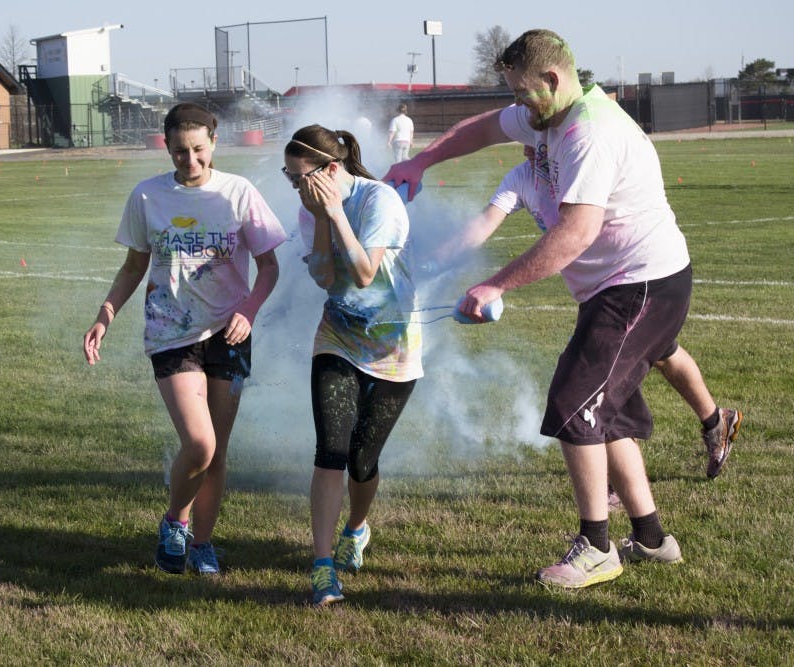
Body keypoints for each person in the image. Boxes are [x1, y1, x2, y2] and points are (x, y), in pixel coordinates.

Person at [392, 28, 738, 589]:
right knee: (609, 411)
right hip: (615, 290)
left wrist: (496, 286)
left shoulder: (589, 132)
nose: (517, 109)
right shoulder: (543, 118)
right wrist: (422, 163)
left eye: (523, 94)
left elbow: (576, 234)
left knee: (575, 402)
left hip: (642, 284)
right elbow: (482, 129)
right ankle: (650, 538)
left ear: (552, 81)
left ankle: (596, 548)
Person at [83, 103, 287, 576]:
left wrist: (249, 311)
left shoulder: (239, 192)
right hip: (171, 330)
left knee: (218, 451)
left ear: (214, 142)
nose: (190, 161)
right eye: (179, 152)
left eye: (198, 150)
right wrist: (104, 315)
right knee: (199, 443)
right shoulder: (148, 196)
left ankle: (203, 545)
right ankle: (175, 520)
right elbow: (134, 267)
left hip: (230, 334)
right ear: (166, 146)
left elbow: (270, 266)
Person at [460, 155, 743, 494]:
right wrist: (439, 259)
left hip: (634, 281)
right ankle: (716, 421)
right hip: (602, 292)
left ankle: (622, 495)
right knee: (663, 353)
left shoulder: (584, 161)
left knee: (595, 380)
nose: (532, 144)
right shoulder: (523, 177)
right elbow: (484, 222)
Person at [283, 124, 423, 606]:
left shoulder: (379, 200)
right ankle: (322, 567)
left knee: (364, 460)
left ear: (331, 170)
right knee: (332, 449)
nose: (298, 188)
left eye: (302, 178)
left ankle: (357, 528)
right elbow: (326, 278)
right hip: (338, 337)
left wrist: (335, 212)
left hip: (393, 347)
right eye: (291, 178)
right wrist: (320, 216)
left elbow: (364, 273)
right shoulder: (311, 211)